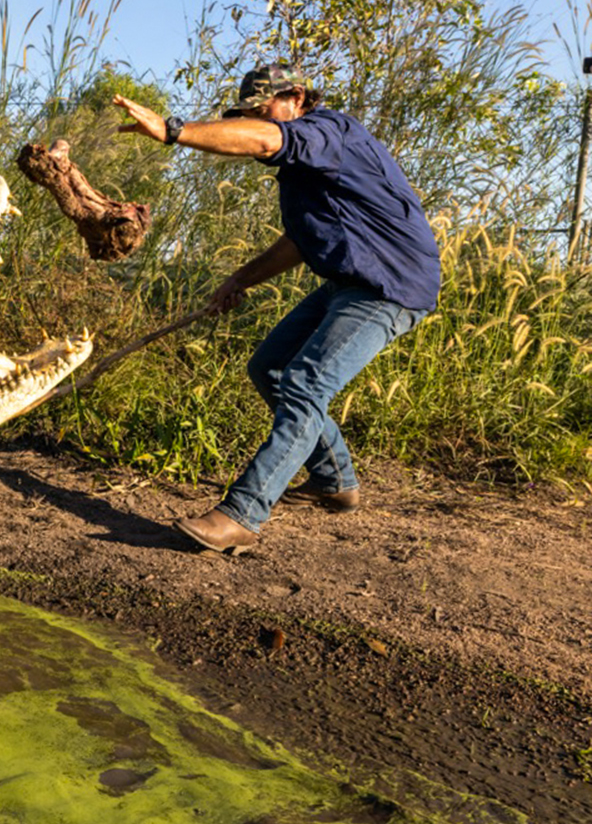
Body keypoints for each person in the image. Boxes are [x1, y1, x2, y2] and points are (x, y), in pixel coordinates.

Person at [113, 62, 441, 554]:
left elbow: (267, 140)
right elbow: (299, 242)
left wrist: (172, 131)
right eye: (249, 113)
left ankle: (241, 516)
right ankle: (335, 480)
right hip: (348, 282)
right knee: (268, 367)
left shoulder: (328, 131)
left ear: (296, 97)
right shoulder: (304, 169)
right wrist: (240, 279)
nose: (257, 119)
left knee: (305, 383)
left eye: (262, 109)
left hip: (388, 287)